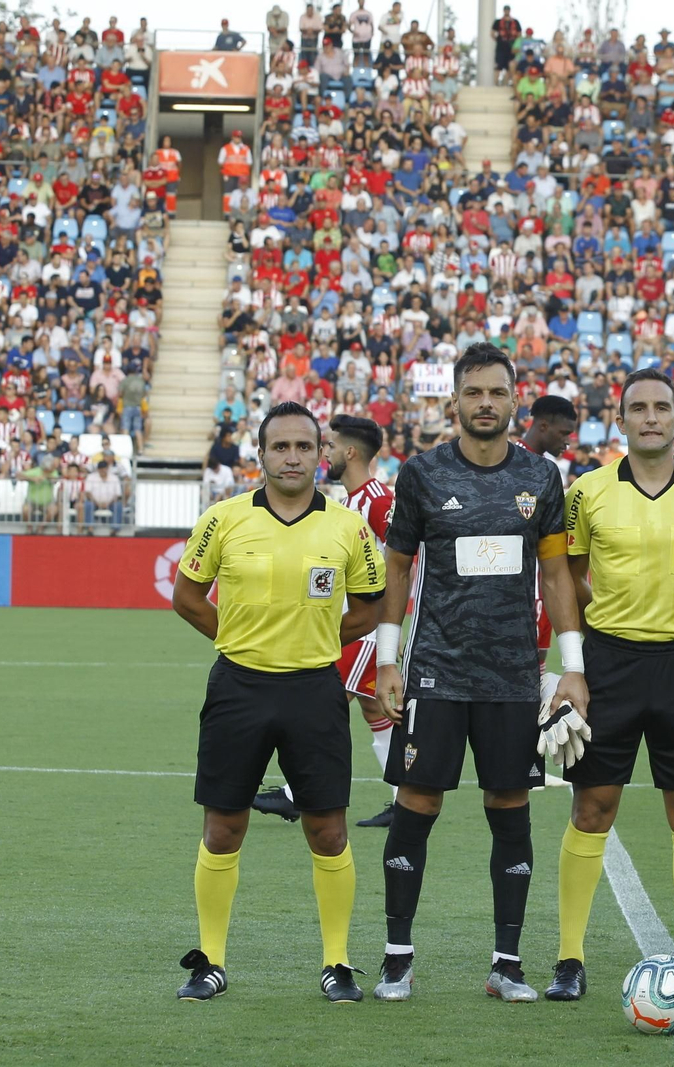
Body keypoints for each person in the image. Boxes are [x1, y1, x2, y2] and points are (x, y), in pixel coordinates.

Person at [367, 344, 587, 1003]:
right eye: (474, 392)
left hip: (513, 675)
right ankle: (397, 958)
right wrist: (386, 657)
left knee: (509, 805)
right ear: (454, 401)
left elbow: (555, 573)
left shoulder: (541, 477)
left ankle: (507, 963)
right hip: (435, 670)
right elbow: (399, 566)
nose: (485, 402)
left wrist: (572, 670)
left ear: (514, 400)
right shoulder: (423, 474)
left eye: (497, 391)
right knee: (418, 802)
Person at [170, 401, 385, 1004]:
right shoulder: (223, 519)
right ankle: (209, 961)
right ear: (260, 454)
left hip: (314, 689)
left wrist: (318, 641)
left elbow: (370, 604)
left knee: (327, 830)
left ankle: (337, 964)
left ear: (323, 455)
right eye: (280, 446)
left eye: (304, 446)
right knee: (223, 827)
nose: (292, 456)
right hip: (238, 686)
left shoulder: (347, 527)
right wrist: (235, 637)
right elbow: (187, 596)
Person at [548, 366, 674, 1005]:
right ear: (622, 418)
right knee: (593, 806)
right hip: (610, 665)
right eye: (639, 407)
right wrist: (609, 614)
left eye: (663, 407)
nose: (652, 417)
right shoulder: (588, 492)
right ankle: (569, 958)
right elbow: (571, 571)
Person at [253, 415, 400, 829]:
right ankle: (404, 799)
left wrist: (389, 620)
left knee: (321, 705)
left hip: (365, 627)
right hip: (355, 625)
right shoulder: (347, 503)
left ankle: (295, 794)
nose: (325, 453)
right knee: (377, 710)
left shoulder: (376, 499)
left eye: (330, 446)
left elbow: (408, 558)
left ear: (350, 452)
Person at [517, 394, 578, 670]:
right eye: (564, 433)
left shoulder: (545, 470)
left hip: (542, 589)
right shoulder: (512, 462)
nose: (567, 441)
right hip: (520, 595)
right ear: (543, 426)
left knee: (536, 676)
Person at [218, 129, 252, 195]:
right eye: (236, 136)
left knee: (241, 194)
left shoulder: (246, 149)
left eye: (239, 137)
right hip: (229, 176)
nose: (238, 138)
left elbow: (250, 163)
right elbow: (220, 162)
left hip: (242, 176)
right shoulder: (225, 148)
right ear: (232, 137)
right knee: (228, 194)